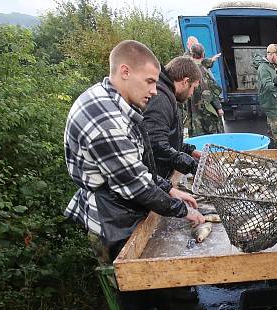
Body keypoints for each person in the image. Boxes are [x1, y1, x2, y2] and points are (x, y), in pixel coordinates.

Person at [63, 40, 205, 264]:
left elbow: (136, 165)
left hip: (119, 207)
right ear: (125, 71)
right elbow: (137, 187)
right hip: (109, 220)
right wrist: (183, 211)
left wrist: (170, 189)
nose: (153, 91)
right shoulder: (105, 120)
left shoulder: (112, 100)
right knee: (131, 291)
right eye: (149, 81)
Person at [143, 56, 201, 180]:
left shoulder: (166, 92)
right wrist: (193, 167)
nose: (191, 94)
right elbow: (155, 144)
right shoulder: (160, 99)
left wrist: (189, 151)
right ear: (185, 81)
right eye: (193, 88)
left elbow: (167, 137)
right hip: (151, 179)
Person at [186, 43, 224, 136]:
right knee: (212, 135)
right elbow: (208, 92)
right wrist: (219, 108)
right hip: (206, 111)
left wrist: (212, 60)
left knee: (198, 135)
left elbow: (203, 62)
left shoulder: (187, 68)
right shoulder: (201, 71)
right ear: (203, 54)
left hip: (193, 109)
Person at [253, 44, 277, 147]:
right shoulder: (264, 68)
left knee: (272, 133)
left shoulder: (272, 66)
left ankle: (272, 151)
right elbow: (267, 85)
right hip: (272, 106)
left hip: (275, 103)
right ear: (270, 55)